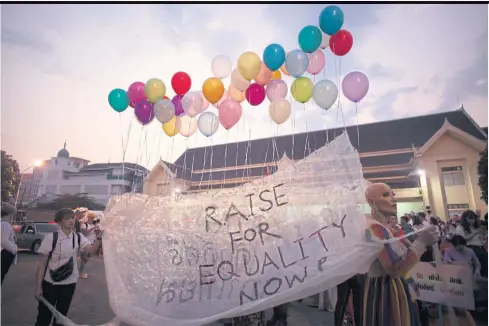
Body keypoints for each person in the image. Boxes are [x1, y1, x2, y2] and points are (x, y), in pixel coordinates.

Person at [363, 183, 437, 326]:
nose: (393, 199)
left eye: (393, 194)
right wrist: (421, 243)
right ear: (371, 202)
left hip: (392, 288)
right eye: (385, 195)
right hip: (387, 292)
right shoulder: (375, 228)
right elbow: (394, 268)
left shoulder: (383, 227)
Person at [34, 208, 104, 326]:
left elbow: (90, 252)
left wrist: (100, 237)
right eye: (67, 218)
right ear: (60, 222)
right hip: (50, 283)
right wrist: (38, 287)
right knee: (44, 316)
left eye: (72, 217)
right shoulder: (51, 237)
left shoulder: (78, 237)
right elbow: (42, 264)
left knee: (62, 316)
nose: (71, 220)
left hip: (69, 283)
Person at [456, 210, 487, 277]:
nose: (472, 220)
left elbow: (480, 240)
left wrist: (484, 239)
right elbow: (462, 239)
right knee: (477, 268)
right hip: (471, 248)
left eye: (474, 218)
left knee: (485, 267)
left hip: (481, 248)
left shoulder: (474, 227)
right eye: (470, 218)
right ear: (465, 218)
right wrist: (475, 233)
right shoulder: (460, 227)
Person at [79, 212, 99, 279]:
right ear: (88, 217)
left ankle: (81, 272)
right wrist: (93, 229)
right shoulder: (84, 225)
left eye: (93, 218)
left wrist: (97, 232)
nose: (93, 219)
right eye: (92, 217)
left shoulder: (92, 225)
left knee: (86, 260)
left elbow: (94, 235)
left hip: (91, 245)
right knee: (84, 259)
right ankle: (80, 273)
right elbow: (85, 233)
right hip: (84, 244)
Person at [1, 205, 18, 284]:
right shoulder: (5, 225)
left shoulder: (3, 224)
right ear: (10, 213)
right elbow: (4, 241)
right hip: (4, 254)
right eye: (13, 214)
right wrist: (14, 249)